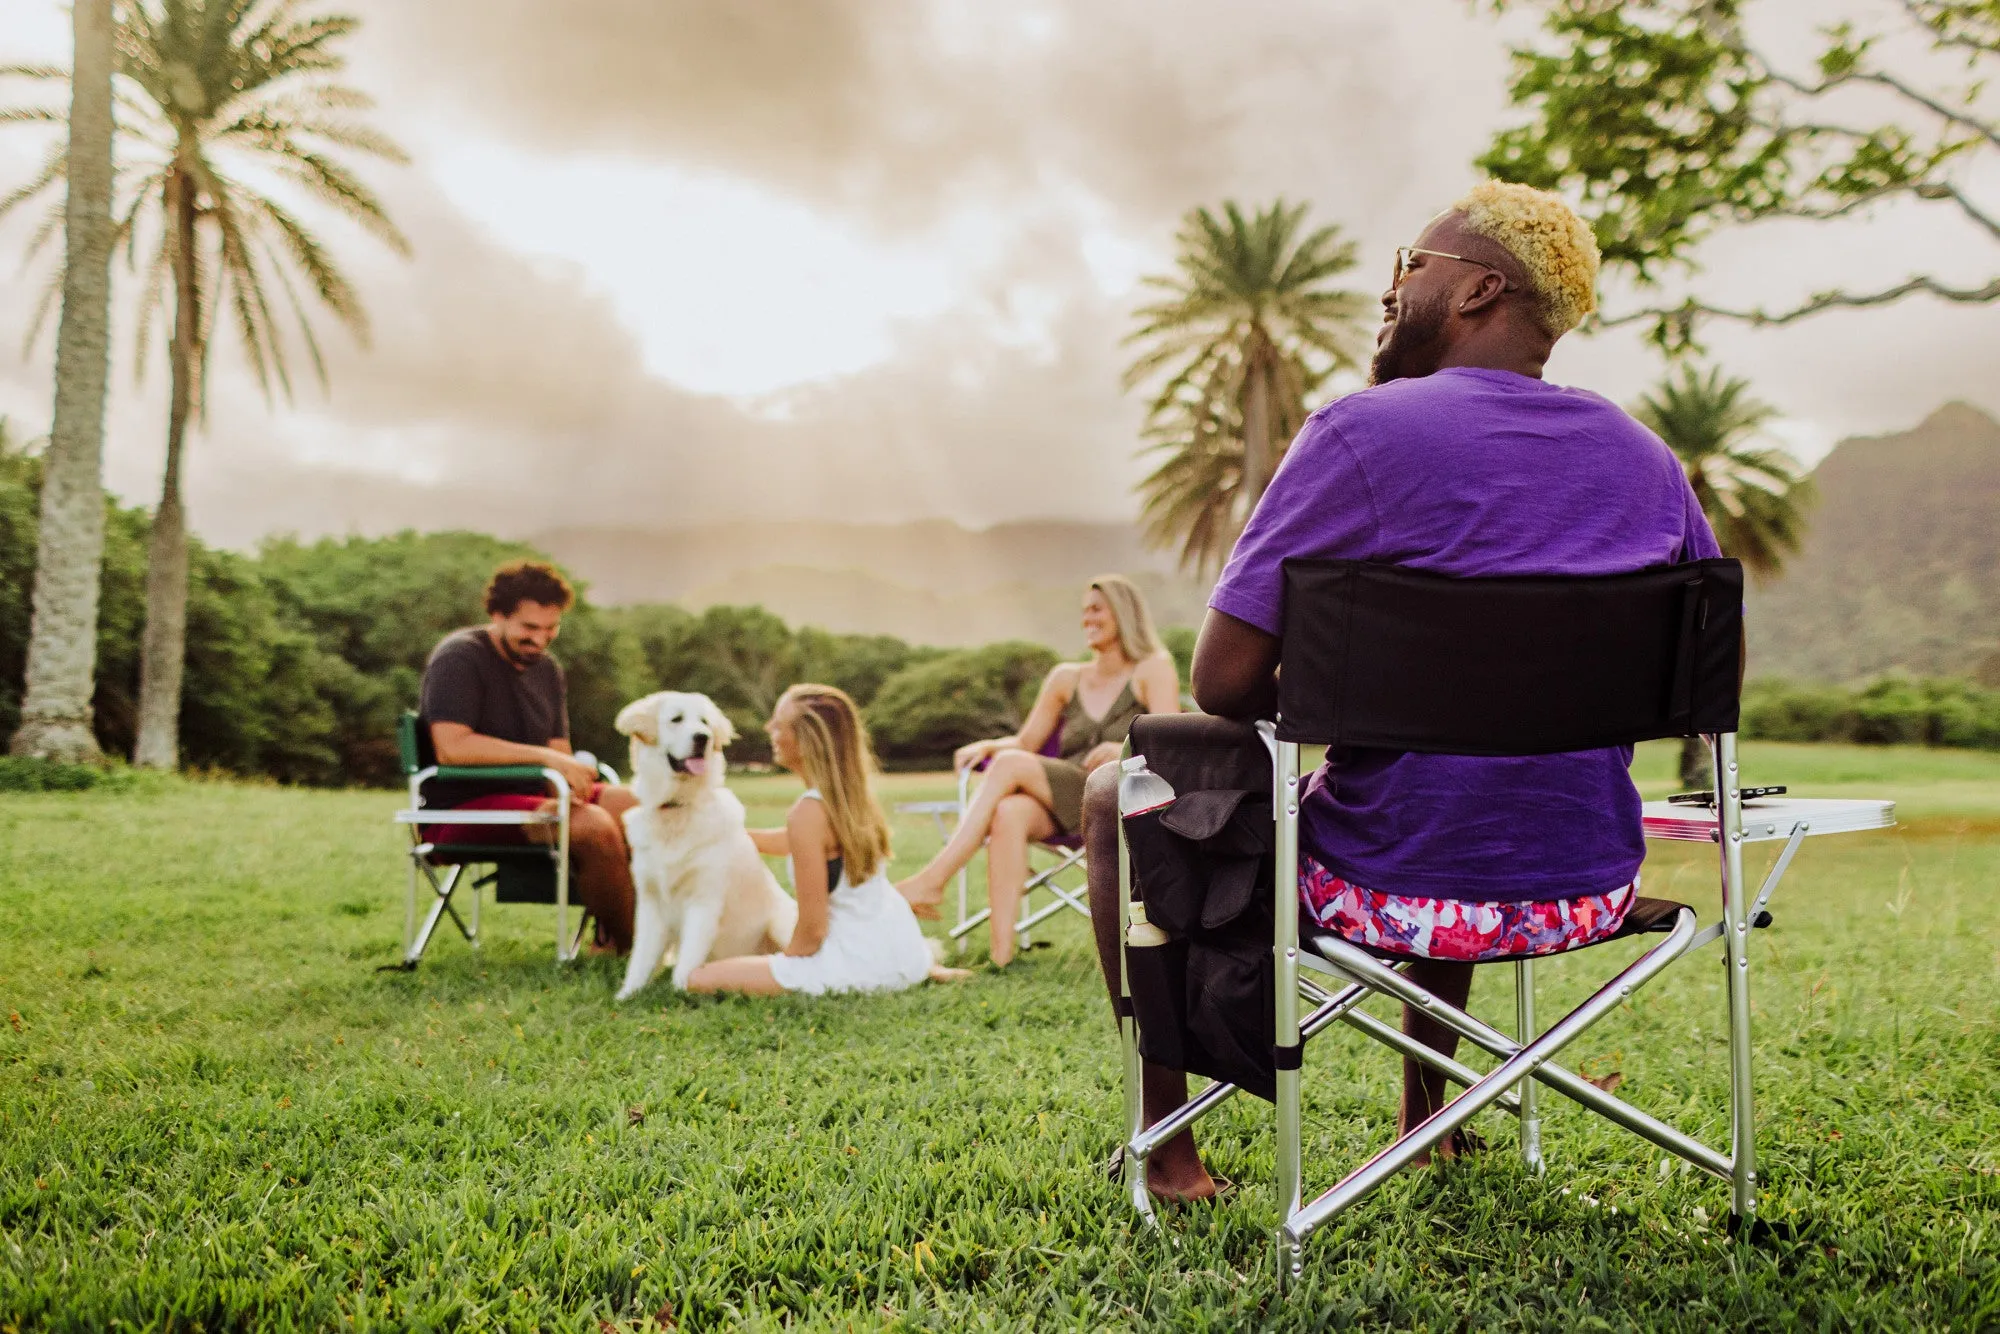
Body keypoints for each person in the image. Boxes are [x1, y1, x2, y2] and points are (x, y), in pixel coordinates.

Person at [1082, 180, 1723, 1201]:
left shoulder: (1360, 433)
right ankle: (1432, 1118)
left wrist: (1382, 681)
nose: (1390, 290)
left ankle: (1168, 1144)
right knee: (1456, 781)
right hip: (1581, 890)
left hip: (1388, 885)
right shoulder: (1646, 461)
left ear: (1477, 288)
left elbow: (1220, 681)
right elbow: (1695, 680)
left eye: (1407, 267)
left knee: (1121, 787)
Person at [897, 575, 1180, 966]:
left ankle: (932, 881)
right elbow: (1026, 744)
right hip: (1067, 792)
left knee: (1010, 767)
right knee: (1008, 812)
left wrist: (1124, 745)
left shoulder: (1152, 668)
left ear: (1124, 612)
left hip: (1115, 796)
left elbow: (1168, 740)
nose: (1088, 619)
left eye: (1096, 609)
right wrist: (990, 745)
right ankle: (1001, 957)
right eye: (1084, 612)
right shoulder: (1066, 677)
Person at [688, 684, 967, 995]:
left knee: (698, 978)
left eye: (779, 724)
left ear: (807, 741)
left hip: (857, 964)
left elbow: (812, 931)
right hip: (904, 953)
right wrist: (732, 837)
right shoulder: (850, 798)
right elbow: (797, 843)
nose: (770, 729)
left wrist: (785, 967)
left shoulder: (808, 814)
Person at [418, 560, 638, 953]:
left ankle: (622, 932)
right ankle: (630, 945)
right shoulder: (459, 658)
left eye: (551, 628)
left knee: (640, 807)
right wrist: (546, 762)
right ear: (497, 615)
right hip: (463, 806)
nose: (541, 639)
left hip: (534, 795)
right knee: (592, 826)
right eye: (528, 628)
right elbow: (453, 747)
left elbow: (558, 750)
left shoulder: (547, 669)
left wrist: (568, 784)